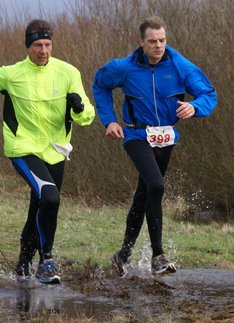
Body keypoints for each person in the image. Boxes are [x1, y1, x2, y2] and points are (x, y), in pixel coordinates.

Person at [0, 19, 95, 284]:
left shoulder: (68, 72)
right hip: (23, 148)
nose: (43, 51)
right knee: (50, 198)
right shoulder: (11, 74)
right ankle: (46, 261)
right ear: (28, 45)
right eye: (37, 45)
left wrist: (79, 108)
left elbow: (87, 117)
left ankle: (22, 267)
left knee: (39, 207)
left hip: (57, 150)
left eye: (48, 44)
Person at [92, 16, 217, 276]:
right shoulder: (125, 67)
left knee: (144, 195)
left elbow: (208, 94)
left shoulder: (180, 65)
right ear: (142, 42)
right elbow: (100, 84)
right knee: (157, 185)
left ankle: (122, 256)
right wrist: (109, 121)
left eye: (162, 40)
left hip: (166, 136)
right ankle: (158, 256)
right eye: (153, 41)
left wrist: (195, 106)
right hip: (136, 134)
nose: (158, 46)